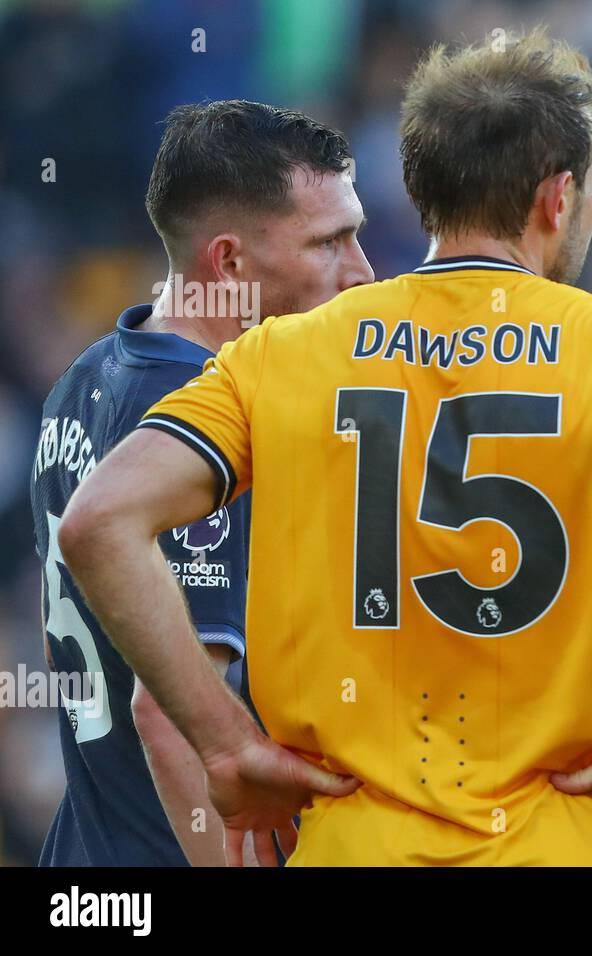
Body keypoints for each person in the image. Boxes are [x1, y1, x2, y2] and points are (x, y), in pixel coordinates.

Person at [57, 29, 592, 867]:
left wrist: (226, 745)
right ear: (558, 198)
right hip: (572, 841)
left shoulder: (278, 355)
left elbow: (98, 522)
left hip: (357, 842)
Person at [31, 99, 373, 866]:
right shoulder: (211, 426)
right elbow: (172, 714)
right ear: (229, 263)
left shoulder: (82, 382)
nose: (363, 272)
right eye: (329, 242)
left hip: (88, 858)